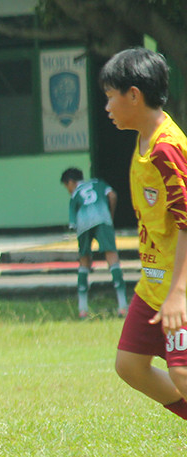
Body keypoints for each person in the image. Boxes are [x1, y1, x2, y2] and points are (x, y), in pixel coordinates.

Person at [102, 48, 187, 425]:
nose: (107, 107)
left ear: (133, 95)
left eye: (110, 96)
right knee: (130, 365)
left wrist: (178, 294)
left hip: (178, 287)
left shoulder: (166, 148)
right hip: (153, 284)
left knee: (182, 373)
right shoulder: (144, 141)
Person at [60, 167, 129, 318]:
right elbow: (112, 195)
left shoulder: (75, 194)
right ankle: (123, 305)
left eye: (66, 187)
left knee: (84, 260)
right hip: (103, 218)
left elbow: (73, 222)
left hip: (84, 222)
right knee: (112, 256)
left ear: (70, 182)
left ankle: (82, 309)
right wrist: (110, 215)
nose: (68, 190)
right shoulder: (98, 183)